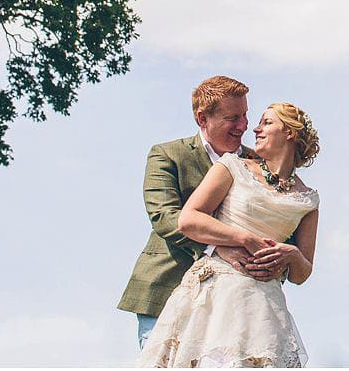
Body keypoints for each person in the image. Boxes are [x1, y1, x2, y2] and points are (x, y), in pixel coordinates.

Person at [138, 102, 321, 368]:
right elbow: (189, 219)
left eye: (267, 122)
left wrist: (291, 254)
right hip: (216, 292)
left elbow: (301, 274)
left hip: (262, 305)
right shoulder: (233, 166)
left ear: (290, 133)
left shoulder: (308, 200)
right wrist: (243, 238)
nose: (255, 128)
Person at [119, 76, 269, 347]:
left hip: (237, 304)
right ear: (203, 119)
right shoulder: (167, 155)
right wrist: (217, 247)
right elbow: (164, 217)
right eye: (233, 118)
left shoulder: (258, 163)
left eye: (246, 114)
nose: (244, 125)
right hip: (168, 292)